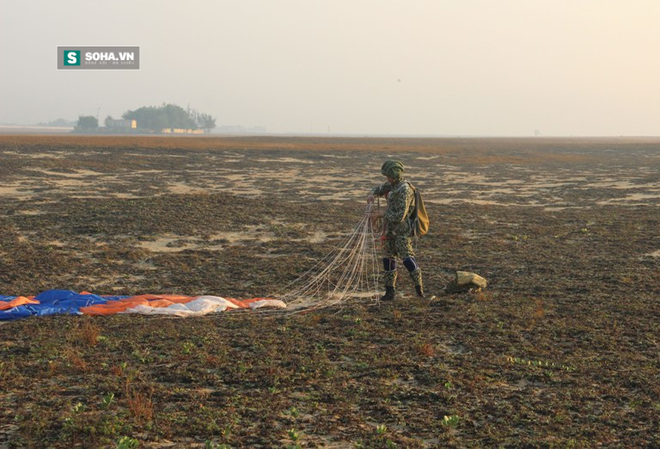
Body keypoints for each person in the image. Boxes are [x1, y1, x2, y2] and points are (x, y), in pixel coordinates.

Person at [368, 160, 426, 301]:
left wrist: (380, 214)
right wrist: (372, 195)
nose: (386, 178)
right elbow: (379, 189)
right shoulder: (392, 185)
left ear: (394, 175)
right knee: (388, 258)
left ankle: (419, 290)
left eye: (388, 175)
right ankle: (389, 292)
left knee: (406, 258)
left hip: (401, 231)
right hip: (389, 230)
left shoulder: (405, 190)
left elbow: (400, 216)